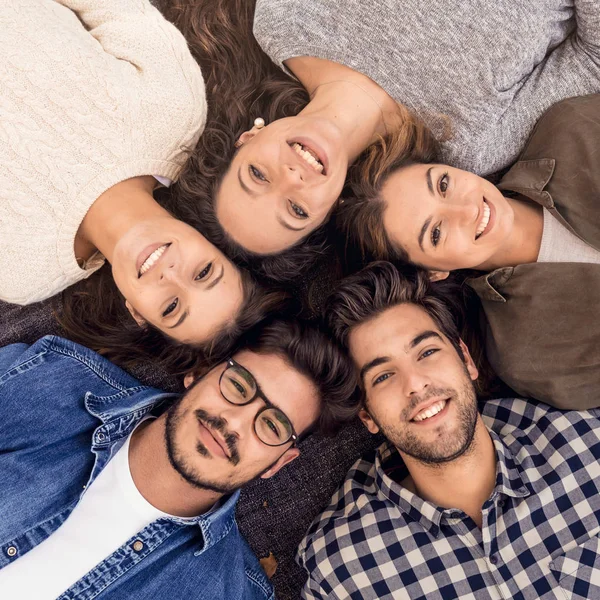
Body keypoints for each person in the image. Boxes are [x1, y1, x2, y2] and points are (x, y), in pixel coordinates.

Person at [168, 0, 600, 263]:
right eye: (296, 211)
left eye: (257, 176)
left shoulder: (282, 21)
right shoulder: (464, 147)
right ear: (328, 210)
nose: (292, 180)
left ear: (248, 138)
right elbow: (592, 60)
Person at [298, 261, 600, 599]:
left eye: (427, 352)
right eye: (383, 376)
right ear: (366, 415)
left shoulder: (586, 442)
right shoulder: (341, 571)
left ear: (466, 359)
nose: (415, 384)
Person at [0, 318, 358, 599]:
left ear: (279, 462)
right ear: (200, 373)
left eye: (272, 425)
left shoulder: (230, 592)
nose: (233, 423)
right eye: (238, 386)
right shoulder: (49, 379)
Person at [0, 0, 270, 361]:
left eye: (171, 308)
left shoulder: (21, 274)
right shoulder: (177, 114)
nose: (171, 276)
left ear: (138, 312)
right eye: (204, 271)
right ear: (215, 238)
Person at [338, 94, 600, 409]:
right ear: (432, 272)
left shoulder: (573, 130)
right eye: (435, 232)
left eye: (443, 185)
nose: (466, 209)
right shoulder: (528, 355)